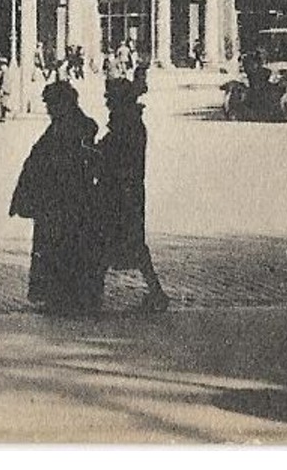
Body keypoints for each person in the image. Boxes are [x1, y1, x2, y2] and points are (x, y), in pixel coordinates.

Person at [9, 80, 103, 315]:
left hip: (64, 199)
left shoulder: (70, 126)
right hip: (58, 199)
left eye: (50, 104)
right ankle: (64, 295)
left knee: (62, 247)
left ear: (62, 102)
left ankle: (65, 296)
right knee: (61, 247)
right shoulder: (67, 124)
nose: (48, 109)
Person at [96, 75, 168, 311]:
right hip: (128, 192)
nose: (107, 104)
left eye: (110, 100)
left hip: (120, 194)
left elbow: (112, 156)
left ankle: (93, 293)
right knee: (130, 244)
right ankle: (155, 291)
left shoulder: (126, 127)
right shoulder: (129, 124)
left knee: (108, 241)